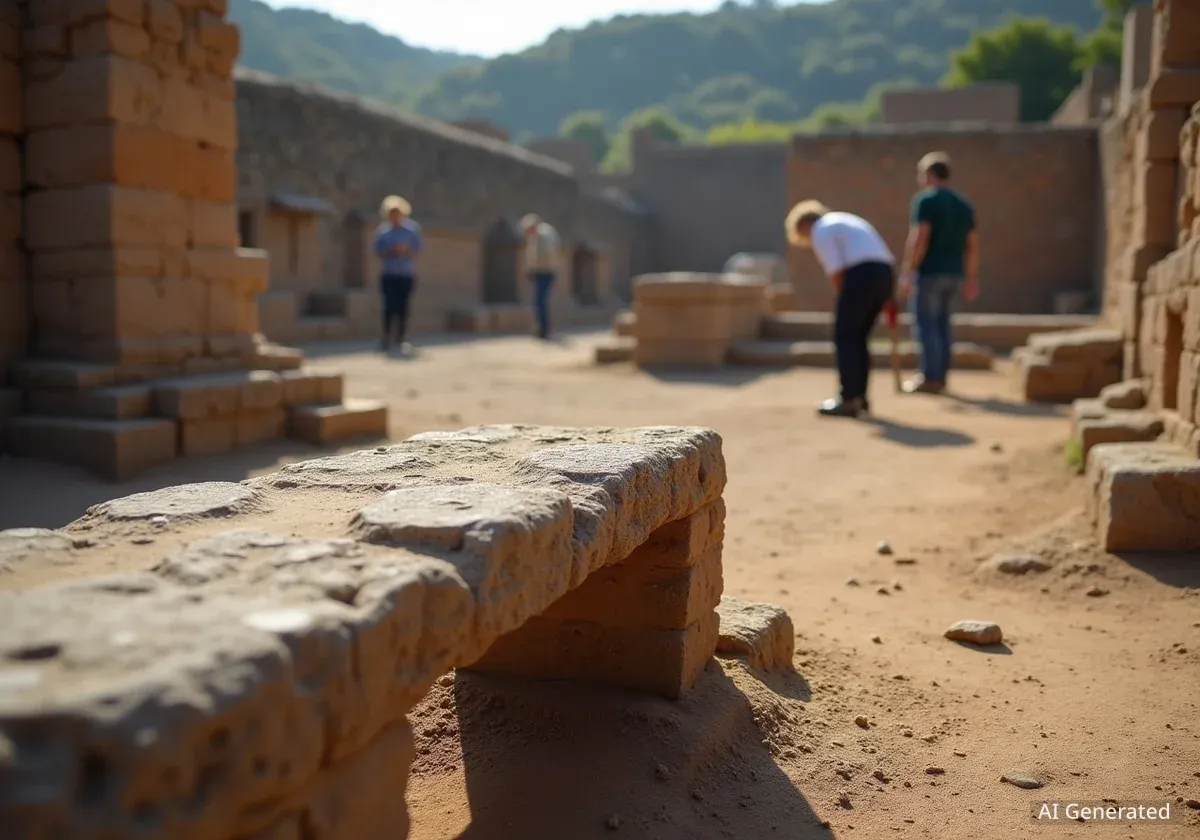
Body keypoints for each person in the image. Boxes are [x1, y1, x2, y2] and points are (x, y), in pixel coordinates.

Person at [786, 200, 896, 418]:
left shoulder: (821, 230)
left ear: (805, 225)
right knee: (860, 338)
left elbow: (837, 272)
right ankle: (860, 397)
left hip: (861, 276)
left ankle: (848, 399)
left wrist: (844, 300)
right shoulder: (846, 220)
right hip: (884, 274)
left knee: (845, 336)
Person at [898, 152, 979, 395]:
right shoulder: (964, 204)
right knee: (944, 326)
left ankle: (930, 377)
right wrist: (971, 276)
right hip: (955, 274)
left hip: (930, 273)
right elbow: (973, 244)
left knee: (926, 325)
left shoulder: (926, 201)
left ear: (930, 174)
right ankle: (941, 376)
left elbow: (920, 239)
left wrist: (907, 271)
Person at [372, 195, 422, 353]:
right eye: (392, 214)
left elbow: (417, 249)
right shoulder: (383, 231)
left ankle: (401, 338)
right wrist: (391, 250)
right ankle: (386, 337)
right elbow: (377, 250)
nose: (395, 217)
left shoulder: (411, 230)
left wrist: (406, 250)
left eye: (397, 213)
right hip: (389, 274)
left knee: (403, 307)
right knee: (389, 306)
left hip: (405, 274)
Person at [521, 213, 561, 340]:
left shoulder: (545, 234)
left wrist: (537, 266)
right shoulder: (534, 237)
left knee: (541, 301)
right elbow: (532, 255)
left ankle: (544, 329)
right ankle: (541, 327)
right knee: (537, 302)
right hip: (539, 272)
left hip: (547, 272)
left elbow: (548, 253)